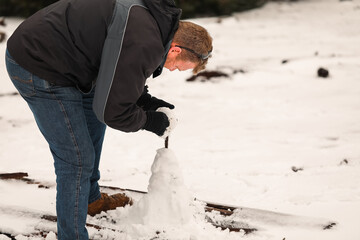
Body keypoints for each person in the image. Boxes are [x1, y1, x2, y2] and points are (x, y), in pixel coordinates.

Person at [5, 0, 212, 239]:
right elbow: (113, 112)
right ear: (175, 49)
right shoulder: (145, 41)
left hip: (69, 61)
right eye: (178, 66)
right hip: (37, 63)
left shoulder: (155, 25)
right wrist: (151, 121)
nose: (173, 70)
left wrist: (147, 102)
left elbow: (118, 69)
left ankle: (90, 200)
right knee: (77, 159)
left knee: (93, 125)